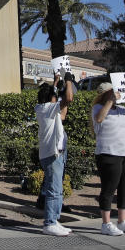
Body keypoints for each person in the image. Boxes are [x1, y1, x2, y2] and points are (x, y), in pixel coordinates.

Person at [91, 82, 125, 236]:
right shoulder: (97, 108)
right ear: (104, 95)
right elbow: (99, 119)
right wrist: (109, 101)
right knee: (108, 189)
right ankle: (106, 223)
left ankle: (122, 221)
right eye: (111, 92)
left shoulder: (122, 110)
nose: (115, 94)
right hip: (108, 153)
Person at [35, 71, 74, 236]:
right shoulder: (49, 108)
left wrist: (56, 81)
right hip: (53, 154)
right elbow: (69, 99)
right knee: (54, 189)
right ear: (51, 98)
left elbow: (61, 106)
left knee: (57, 189)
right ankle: (49, 222)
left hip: (55, 153)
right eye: (54, 96)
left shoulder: (42, 108)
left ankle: (54, 220)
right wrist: (69, 81)